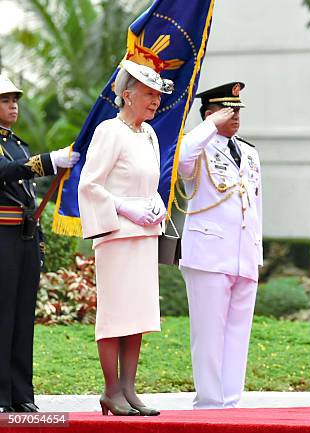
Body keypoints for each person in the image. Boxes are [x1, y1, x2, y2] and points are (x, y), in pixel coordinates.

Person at [78, 60, 173, 416]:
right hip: (117, 236)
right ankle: (110, 390)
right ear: (128, 96)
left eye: (157, 95)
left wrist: (156, 206)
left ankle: (130, 390)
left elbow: (149, 182)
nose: (155, 101)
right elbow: (90, 184)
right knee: (116, 314)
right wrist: (123, 208)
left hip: (144, 235)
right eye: (149, 94)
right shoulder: (109, 131)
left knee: (139, 314)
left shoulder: (148, 133)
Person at [177, 82, 262, 409]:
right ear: (209, 113)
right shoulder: (198, 147)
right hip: (209, 255)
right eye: (229, 110)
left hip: (243, 253)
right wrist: (209, 125)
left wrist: (257, 252)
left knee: (237, 335)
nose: (236, 116)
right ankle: (210, 403)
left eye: (238, 109)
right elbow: (182, 158)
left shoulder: (250, 152)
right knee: (209, 335)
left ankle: (231, 401)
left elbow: (256, 205)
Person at [0, 76, 79, 413]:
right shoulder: (12, 151)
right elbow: (5, 172)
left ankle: (21, 393)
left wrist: (40, 243)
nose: (13, 105)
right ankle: (0, 395)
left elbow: (29, 196)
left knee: (21, 316)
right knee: (2, 316)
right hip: (1, 236)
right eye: (5, 100)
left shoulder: (19, 143)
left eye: (14, 99)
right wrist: (50, 161)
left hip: (24, 237)